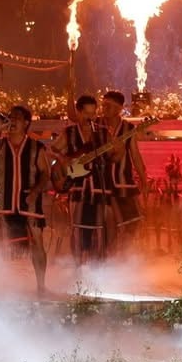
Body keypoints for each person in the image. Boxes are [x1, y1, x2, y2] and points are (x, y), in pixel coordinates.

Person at [0, 104, 51, 296]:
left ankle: (41, 287)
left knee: (37, 242)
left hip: (29, 201)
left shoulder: (36, 147)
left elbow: (45, 173)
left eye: (17, 118)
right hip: (2, 201)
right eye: (10, 117)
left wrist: (35, 192)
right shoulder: (0, 143)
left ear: (26, 123)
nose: (12, 121)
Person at [57, 95, 110, 264]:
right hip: (78, 188)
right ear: (79, 113)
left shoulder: (103, 132)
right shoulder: (70, 133)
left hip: (99, 188)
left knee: (99, 229)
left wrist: (120, 147)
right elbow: (52, 150)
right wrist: (65, 161)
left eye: (93, 113)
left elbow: (115, 157)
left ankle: (98, 268)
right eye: (87, 113)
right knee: (78, 229)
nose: (90, 117)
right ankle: (78, 267)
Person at [101, 91, 146, 245]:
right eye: (103, 105)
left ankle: (127, 254)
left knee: (131, 225)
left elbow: (135, 155)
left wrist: (144, 180)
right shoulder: (96, 126)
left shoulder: (128, 128)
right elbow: (76, 117)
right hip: (101, 183)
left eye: (109, 105)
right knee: (107, 225)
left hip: (123, 183)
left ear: (119, 108)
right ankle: (109, 254)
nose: (104, 108)